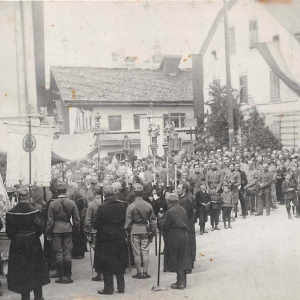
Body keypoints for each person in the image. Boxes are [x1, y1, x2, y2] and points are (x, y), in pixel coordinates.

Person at [6, 188, 50, 300]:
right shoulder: (34, 211)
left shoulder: (11, 213)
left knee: (22, 271)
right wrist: (33, 236)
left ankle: (25, 297)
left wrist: (17, 238)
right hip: (33, 242)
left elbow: (9, 232)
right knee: (36, 269)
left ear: (18, 197)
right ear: (28, 196)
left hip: (18, 244)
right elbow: (40, 228)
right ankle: (38, 296)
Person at [92, 185, 127, 295]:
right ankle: (121, 287)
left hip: (105, 237)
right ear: (114, 193)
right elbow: (123, 220)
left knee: (106, 262)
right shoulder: (122, 206)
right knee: (119, 260)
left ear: (105, 195)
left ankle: (108, 288)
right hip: (119, 235)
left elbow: (96, 224)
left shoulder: (102, 207)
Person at [46, 181, 80, 284]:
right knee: (68, 252)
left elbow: (50, 221)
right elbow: (77, 219)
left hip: (56, 230)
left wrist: (48, 232)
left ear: (56, 191)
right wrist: (76, 230)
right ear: (65, 191)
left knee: (59, 253)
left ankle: (61, 277)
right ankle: (68, 276)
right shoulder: (72, 203)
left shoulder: (52, 203)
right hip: (68, 229)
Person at [125, 183, 156, 279]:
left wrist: (126, 231)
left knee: (137, 253)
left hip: (135, 230)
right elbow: (153, 220)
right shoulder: (148, 205)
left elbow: (128, 222)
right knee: (145, 252)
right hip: (145, 230)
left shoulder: (131, 206)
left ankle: (139, 272)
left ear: (134, 193)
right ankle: (145, 272)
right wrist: (152, 231)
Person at [162, 193, 192, 290]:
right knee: (183, 257)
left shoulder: (170, 211)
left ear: (169, 202)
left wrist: (160, 220)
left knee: (177, 258)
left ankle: (180, 282)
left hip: (175, 236)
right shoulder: (181, 208)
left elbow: (164, 225)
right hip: (184, 234)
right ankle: (183, 281)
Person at [85, 185, 103, 282]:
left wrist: (87, 231)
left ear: (95, 193)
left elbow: (88, 220)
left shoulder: (91, 204)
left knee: (97, 252)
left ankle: (100, 274)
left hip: (95, 231)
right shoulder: (105, 202)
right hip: (107, 231)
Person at [177, 182, 196, 270]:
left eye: (179, 188)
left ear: (184, 189)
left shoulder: (186, 199)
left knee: (187, 245)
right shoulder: (185, 197)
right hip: (188, 223)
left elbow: (183, 213)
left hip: (186, 224)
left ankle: (188, 266)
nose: (177, 190)